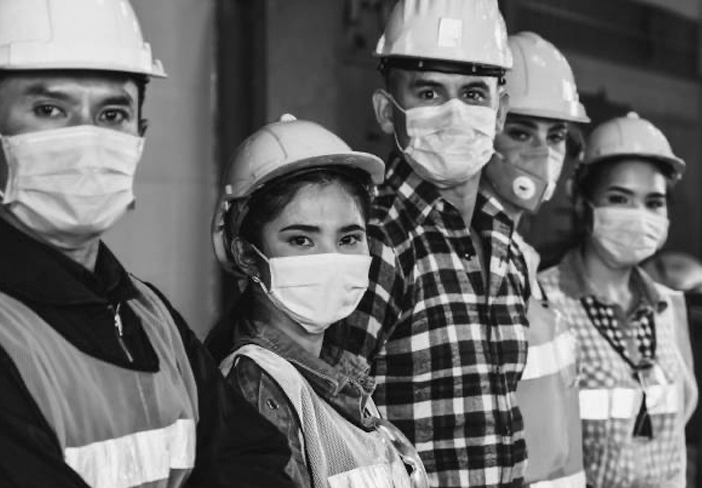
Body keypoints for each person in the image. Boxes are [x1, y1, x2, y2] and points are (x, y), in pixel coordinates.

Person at [0, 1, 295, 486]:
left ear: (139, 137)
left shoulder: (149, 314)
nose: (86, 141)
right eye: (49, 109)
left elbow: (256, 461)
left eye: (111, 113)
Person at [338, 1, 531, 486]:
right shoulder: (374, 240)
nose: (454, 113)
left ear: (500, 111)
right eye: (429, 92)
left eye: (472, 92)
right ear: (387, 111)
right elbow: (333, 423)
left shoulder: (503, 241)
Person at [208, 114, 428, 488]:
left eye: (348, 239)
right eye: (301, 240)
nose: (331, 259)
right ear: (246, 255)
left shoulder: (340, 381)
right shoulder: (256, 391)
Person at [538, 113, 698, 487]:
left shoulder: (669, 306)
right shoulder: (544, 300)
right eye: (619, 198)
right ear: (582, 202)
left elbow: (677, 431)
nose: (638, 216)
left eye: (653, 202)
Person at [482, 32, 589, 488]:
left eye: (557, 136)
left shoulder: (524, 256)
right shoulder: (467, 258)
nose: (542, 154)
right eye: (521, 132)